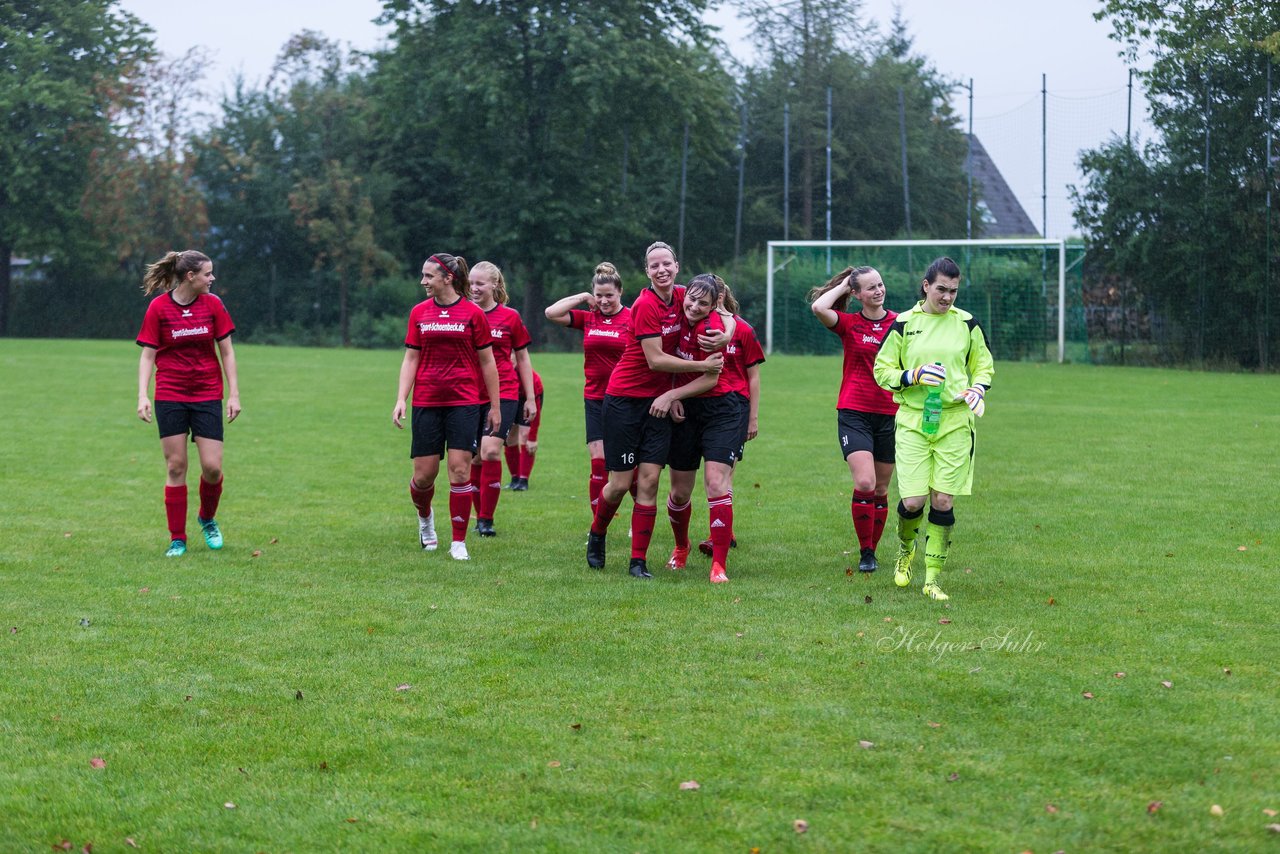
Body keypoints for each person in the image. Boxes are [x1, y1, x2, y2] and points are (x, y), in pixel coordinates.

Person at [585, 242, 730, 579]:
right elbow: (655, 359)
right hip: (624, 400)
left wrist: (724, 338)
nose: (661, 270)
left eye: (667, 263)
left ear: (677, 266)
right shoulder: (645, 304)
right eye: (654, 265)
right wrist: (699, 364)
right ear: (646, 271)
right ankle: (598, 533)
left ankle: (638, 562)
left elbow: (724, 314)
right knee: (620, 484)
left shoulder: (684, 296)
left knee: (649, 481)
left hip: (659, 403)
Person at [873, 256, 994, 601]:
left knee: (942, 499)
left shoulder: (967, 323)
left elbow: (983, 366)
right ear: (926, 286)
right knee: (912, 501)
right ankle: (905, 551)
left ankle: (933, 579)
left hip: (955, 423)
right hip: (913, 420)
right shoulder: (903, 324)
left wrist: (978, 388)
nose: (947, 297)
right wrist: (912, 375)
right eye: (941, 289)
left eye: (953, 291)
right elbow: (882, 372)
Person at [393, 253, 502, 561]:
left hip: (464, 403)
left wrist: (494, 407)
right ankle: (425, 517)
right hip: (427, 402)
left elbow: (488, 362)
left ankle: (458, 542)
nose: (423, 281)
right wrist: (402, 398)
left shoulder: (473, 313)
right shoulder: (419, 312)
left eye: (428, 276)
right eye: (423, 275)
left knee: (459, 470)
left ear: (447, 278)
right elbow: (411, 357)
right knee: (425, 476)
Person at [136, 250, 240, 558]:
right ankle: (177, 539)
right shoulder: (158, 308)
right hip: (170, 393)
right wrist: (142, 394)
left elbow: (228, 352)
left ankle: (206, 518)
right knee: (176, 465)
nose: (212, 278)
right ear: (190, 277)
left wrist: (234, 393)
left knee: (212, 468)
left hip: (207, 393)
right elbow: (148, 355)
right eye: (208, 274)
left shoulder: (214, 304)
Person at [664, 275, 760, 584]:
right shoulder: (673, 314)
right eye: (691, 299)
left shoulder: (714, 331)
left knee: (717, 483)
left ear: (714, 304)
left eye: (703, 302)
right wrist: (676, 395)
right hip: (686, 411)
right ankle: (681, 547)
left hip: (724, 409)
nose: (694, 305)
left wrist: (753, 417)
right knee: (679, 493)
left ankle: (719, 565)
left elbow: (718, 377)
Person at [809, 266, 898, 573]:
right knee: (864, 482)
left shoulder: (900, 324)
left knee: (881, 490)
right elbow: (819, 306)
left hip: (890, 414)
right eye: (870, 287)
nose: (878, 290)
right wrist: (846, 283)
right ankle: (866, 553)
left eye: (881, 284)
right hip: (854, 412)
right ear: (856, 294)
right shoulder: (848, 324)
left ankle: (872, 548)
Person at [544, 262, 632, 514]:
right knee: (598, 462)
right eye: (599, 295)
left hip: (625, 399)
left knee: (629, 465)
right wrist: (583, 297)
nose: (604, 301)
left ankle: (637, 519)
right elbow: (551, 313)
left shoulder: (631, 318)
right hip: (594, 398)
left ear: (620, 293)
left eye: (609, 296)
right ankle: (598, 525)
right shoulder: (588, 317)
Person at [466, 261, 537, 536]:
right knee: (474, 459)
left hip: (505, 392)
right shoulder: (465, 315)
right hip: (470, 395)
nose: (474, 288)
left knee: (491, 450)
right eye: (471, 283)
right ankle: (477, 516)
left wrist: (529, 398)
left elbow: (522, 357)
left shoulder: (509, 317)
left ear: (495, 285)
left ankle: (486, 520)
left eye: (480, 283)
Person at [694, 282, 764, 561]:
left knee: (722, 475)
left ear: (720, 296)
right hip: (700, 406)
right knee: (715, 478)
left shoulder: (742, 329)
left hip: (733, 409)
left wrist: (753, 418)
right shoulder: (697, 326)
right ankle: (724, 531)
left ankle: (721, 535)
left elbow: (754, 376)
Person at [504, 369, 542, 490]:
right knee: (509, 438)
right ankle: (514, 479)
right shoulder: (503, 372)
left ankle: (523, 480)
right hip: (511, 398)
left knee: (525, 436)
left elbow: (535, 411)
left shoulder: (529, 378)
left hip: (528, 399)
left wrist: (533, 437)